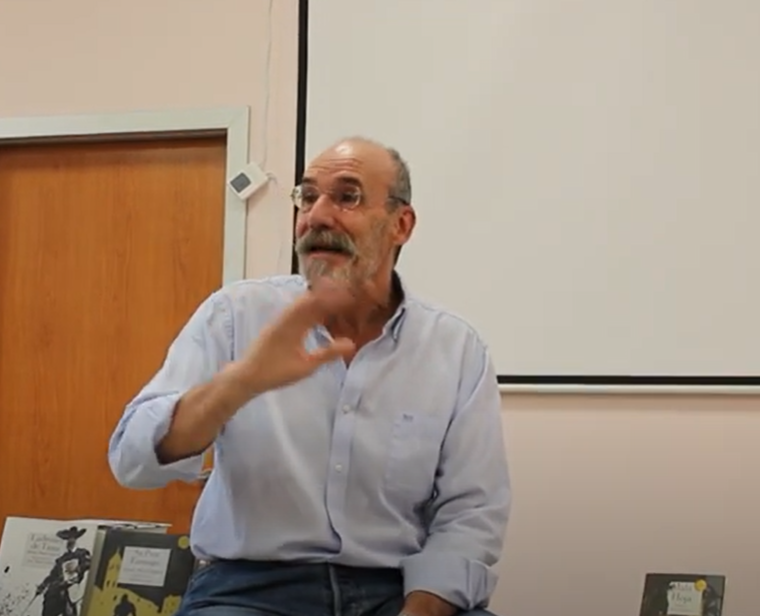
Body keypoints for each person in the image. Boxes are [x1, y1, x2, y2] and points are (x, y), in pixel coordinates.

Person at [108, 136, 511, 616]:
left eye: (347, 197)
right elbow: (132, 459)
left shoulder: (456, 349)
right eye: (308, 196)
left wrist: (422, 608)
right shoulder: (237, 315)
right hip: (248, 590)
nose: (316, 216)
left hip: (396, 589)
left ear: (400, 224)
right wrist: (239, 383)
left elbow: (471, 512)